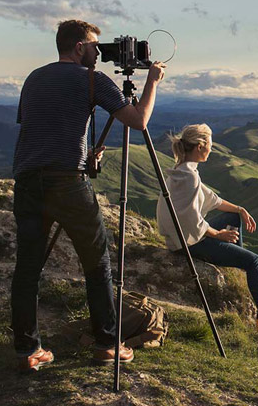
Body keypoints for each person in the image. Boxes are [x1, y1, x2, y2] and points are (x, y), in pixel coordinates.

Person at [11, 19, 166, 372]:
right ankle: (107, 344)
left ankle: (27, 351)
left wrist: (84, 155)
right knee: (97, 265)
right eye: (95, 46)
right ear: (79, 47)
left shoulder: (33, 78)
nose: (98, 52)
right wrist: (152, 82)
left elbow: (44, 127)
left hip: (27, 181)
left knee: (28, 269)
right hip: (66, 183)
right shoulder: (93, 80)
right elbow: (139, 120)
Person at [158, 123, 258, 334]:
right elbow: (192, 219)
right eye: (210, 144)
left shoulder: (182, 170)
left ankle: (236, 261)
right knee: (253, 260)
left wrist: (241, 209)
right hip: (187, 242)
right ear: (200, 146)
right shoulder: (189, 177)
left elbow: (213, 199)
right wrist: (218, 234)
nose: (212, 148)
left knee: (232, 217)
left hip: (183, 236)